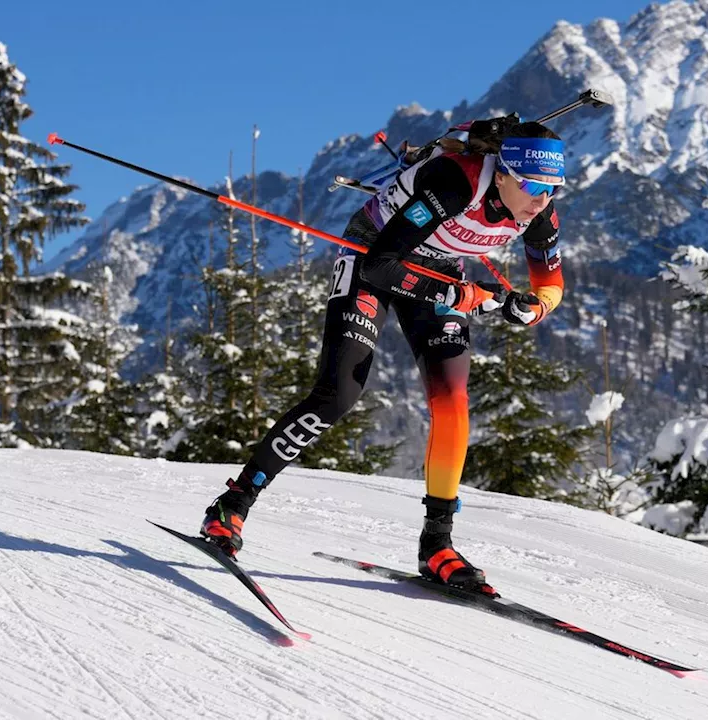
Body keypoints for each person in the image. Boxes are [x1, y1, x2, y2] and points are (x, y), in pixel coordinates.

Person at [198, 120, 566, 594]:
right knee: (338, 394)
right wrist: (463, 294)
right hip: (372, 257)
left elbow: (551, 285)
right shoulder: (455, 182)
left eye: (553, 190)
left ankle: (437, 545)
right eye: (533, 186)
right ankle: (232, 506)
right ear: (502, 174)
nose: (541, 201)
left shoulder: (540, 215)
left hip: (438, 271)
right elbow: (381, 264)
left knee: (452, 402)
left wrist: (533, 309)